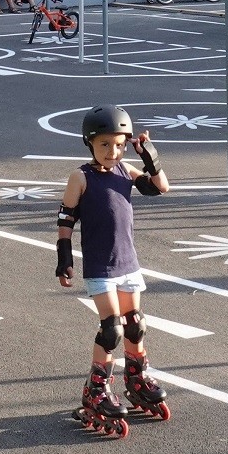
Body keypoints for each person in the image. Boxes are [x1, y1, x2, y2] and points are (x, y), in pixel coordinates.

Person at [56, 105, 172, 433]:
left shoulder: (126, 170)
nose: (113, 151)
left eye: (119, 144)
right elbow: (65, 219)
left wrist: (149, 156)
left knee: (134, 324)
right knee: (111, 330)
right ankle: (96, 390)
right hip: (100, 266)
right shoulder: (81, 177)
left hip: (128, 262)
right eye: (105, 144)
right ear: (90, 143)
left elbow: (160, 187)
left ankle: (137, 378)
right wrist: (64, 259)